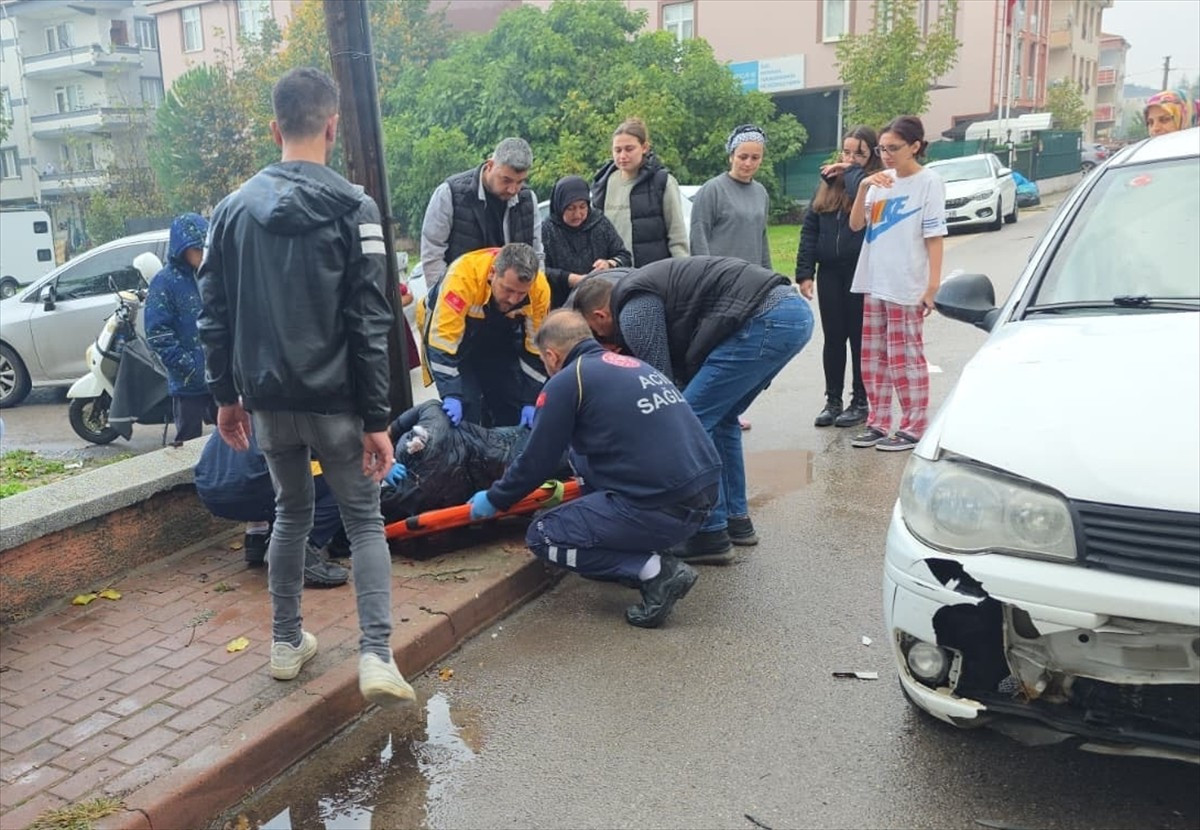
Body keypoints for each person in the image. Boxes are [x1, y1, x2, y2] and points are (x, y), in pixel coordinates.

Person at [197, 67, 415, 706]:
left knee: (289, 514)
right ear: (333, 125)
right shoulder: (356, 207)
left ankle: (286, 642)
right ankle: (376, 654)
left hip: (269, 402)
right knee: (365, 522)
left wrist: (225, 396)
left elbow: (215, 314)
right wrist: (378, 417)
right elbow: (372, 318)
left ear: (274, 128)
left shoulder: (230, 211)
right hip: (340, 403)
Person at [467, 310, 721, 628]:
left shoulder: (568, 380)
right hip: (703, 497)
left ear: (551, 355)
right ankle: (641, 550)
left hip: (663, 507)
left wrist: (495, 498)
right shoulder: (632, 366)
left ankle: (655, 571)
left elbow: (537, 462)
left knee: (544, 536)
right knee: (582, 458)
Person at [574, 256, 812, 563]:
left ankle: (710, 533)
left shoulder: (631, 310)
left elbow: (662, 388)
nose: (601, 341)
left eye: (596, 333)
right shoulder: (644, 290)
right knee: (722, 418)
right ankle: (735, 521)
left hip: (766, 318)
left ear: (599, 314)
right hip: (790, 315)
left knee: (690, 422)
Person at [847, 115, 947, 452]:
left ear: (915, 146)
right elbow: (857, 224)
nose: (886, 155)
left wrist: (931, 287)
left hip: (907, 282)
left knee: (905, 356)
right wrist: (863, 187)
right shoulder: (879, 181)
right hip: (874, 280)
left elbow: (934, 238)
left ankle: (913, 425)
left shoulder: (929, 182)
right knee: (873, 357)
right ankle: (878, 421)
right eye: (882, 148)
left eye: (894, 148)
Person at [796, 126, 883, 429]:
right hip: (830, 272)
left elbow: (865, 191)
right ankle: (832, 400)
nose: (850, 158)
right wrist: (805, 272)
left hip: (861, 272)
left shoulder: (873, 182)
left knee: (860, 339)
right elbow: (810, 229)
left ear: (871, 153)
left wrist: (851, 171)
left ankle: (860, 399)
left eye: (858, 152)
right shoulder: (827, 184)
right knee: (834, 338)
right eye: (846, 151)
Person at [415, 243, 550, 428]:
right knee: (467, 402)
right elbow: (442, 343)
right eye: (508, 290)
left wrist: (530, 399)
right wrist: (452, 394)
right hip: (454, 334)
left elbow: (536, 349)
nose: (513, 299)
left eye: (521, 294)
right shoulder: (462, 278)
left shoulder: (539, 288)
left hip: (497, 331)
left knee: (510, 399)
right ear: (493, 273)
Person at [193, 432, 350, 588]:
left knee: (275, 464)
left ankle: (256, 536)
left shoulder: (243, 406)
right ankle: (302, 544)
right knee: (352, 476)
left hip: (210, 489)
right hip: (256, 485)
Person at [420, 138, 543, 290]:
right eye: (506, 180)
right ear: (490, 165)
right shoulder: (450, 193)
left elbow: (536, 254)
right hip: (461, 295)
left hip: (512, 298)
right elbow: (433, 252)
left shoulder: (528, 199)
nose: (512, 189)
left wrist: (533, 294)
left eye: (520, 182)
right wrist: (442, 295)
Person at [145, 212, 215, 443]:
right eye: (197, 249)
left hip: (220, 377)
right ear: (181, 249)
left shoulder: (213, 276)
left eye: (205, 248)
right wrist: (189, 366)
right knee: (187, 443)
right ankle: (189, 481)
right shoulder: (164, 282)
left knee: (233, 439)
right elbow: (158, 333)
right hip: (188, 383)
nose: (203, 255)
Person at [590, 117, 688, 266]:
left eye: (629, 149)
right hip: (615, 275)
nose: (622, 156)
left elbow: (677, 238)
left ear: (644, 148)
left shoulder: (663, 182)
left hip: (654, 275)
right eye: (617, 150)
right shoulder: (603, 183)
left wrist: (682, 273)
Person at [540, 175, 631, 309]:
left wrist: (609, 264)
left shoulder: (599, 223)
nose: (578, 214)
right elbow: (540, 270)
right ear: (560, 206)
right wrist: (569, 279)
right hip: (562, 305)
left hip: (602, 301)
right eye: (570, 208)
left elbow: (624, 256)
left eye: (582, 207)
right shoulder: (548, 230)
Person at [689, 124, 773, 269]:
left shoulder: (761, 193)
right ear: (731, 156)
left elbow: (762, 239)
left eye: (755, 158)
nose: (748, 163)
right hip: (720, 279)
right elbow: (698, 238)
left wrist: (769, 276)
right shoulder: (713, 189)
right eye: (743, 157)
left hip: (753, 278)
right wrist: (706, 274)